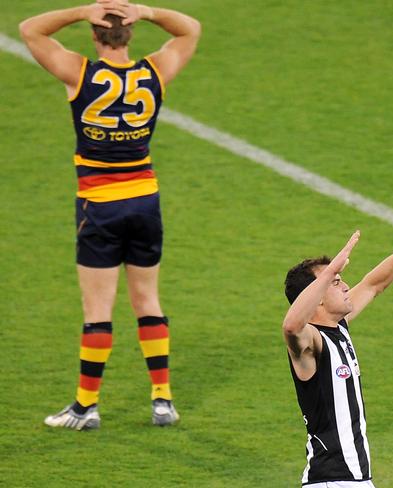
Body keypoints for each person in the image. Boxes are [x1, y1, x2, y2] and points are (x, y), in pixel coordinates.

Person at [19, 0, 201, 430]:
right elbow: (190, 29)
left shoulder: (80, 73)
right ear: (130, 34)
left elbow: (30, 29)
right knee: (148, 301)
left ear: (95, 35)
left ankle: (86, 407)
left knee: (98, 310)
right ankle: (162, 400)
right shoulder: (153, 72)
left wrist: (82, 9)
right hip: (145, 202)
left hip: (99, 206)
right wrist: (149, 11)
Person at [283, 209, 393, 487]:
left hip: (355, 480)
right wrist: (328, 273)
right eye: (336, 281)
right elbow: (291, 326)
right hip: (331, 482)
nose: (345, 286)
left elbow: (373, 284)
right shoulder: (311, 343)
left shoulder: (338, 328)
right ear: (318, 298)